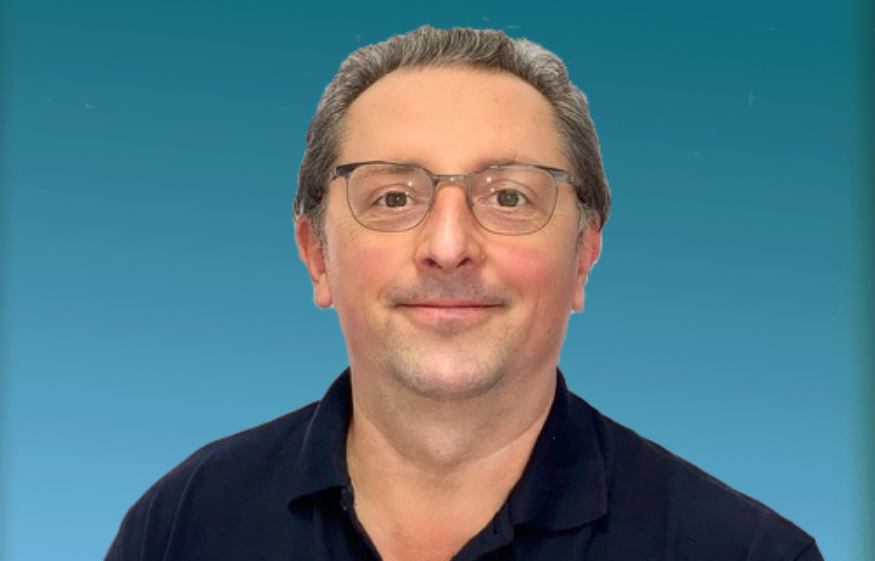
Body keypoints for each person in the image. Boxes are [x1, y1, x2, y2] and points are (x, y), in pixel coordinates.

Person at [106, 26, 823, 561]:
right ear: (317, 254)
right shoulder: (181, 528)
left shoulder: (744, 552)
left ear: (583, 255)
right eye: (393, 197)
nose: (448, 246)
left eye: (508, 196)